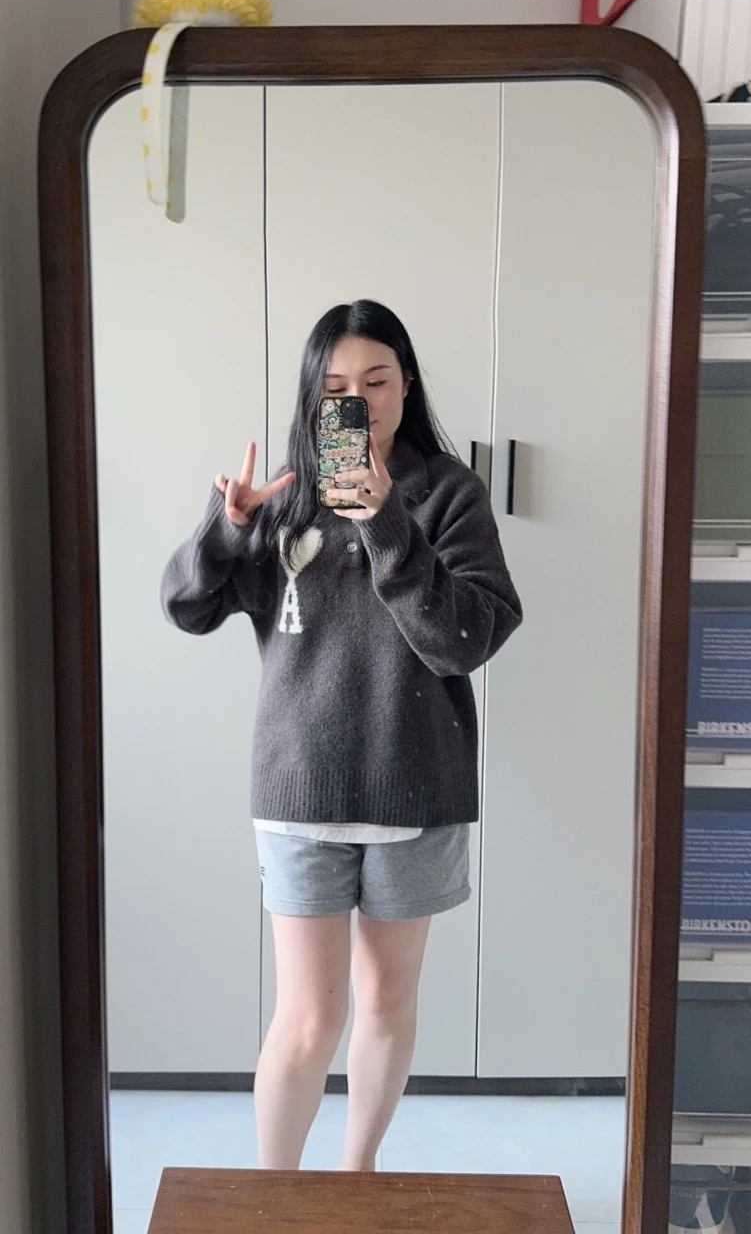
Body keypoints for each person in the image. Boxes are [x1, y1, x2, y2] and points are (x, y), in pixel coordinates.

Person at [160, 299, 522, 1171]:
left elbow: (463, 640)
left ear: (407, 386)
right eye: (334, 388)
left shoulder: (448, 494)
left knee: (387, 1004)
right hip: (300, 789)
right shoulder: (282, 498)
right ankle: (275, 1197)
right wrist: (226, 530)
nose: (356, 401)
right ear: (312, 398)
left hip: (416, 785)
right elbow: (186, 608)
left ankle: (355, 1180)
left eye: (375, 381)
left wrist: (386, 519)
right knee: (308, 1016)